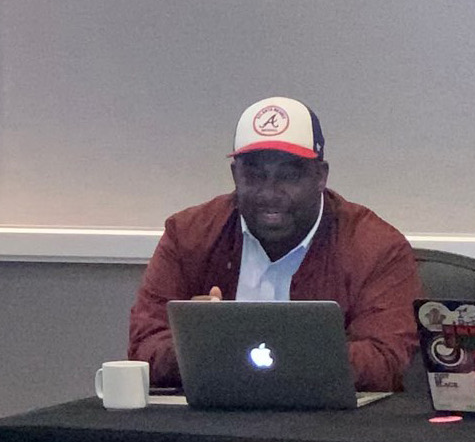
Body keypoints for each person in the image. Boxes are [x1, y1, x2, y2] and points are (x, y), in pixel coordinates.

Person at [129, 96, 421, 391]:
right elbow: (143, 347)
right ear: (235, 175)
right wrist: (192, 341)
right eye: (254, 175)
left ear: (321, 176)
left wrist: (234, 350)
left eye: (288, 176)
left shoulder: (375, 247)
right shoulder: (188, 235)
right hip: (215, 426)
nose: (269, 193)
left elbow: (386, 361)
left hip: (324, 428)